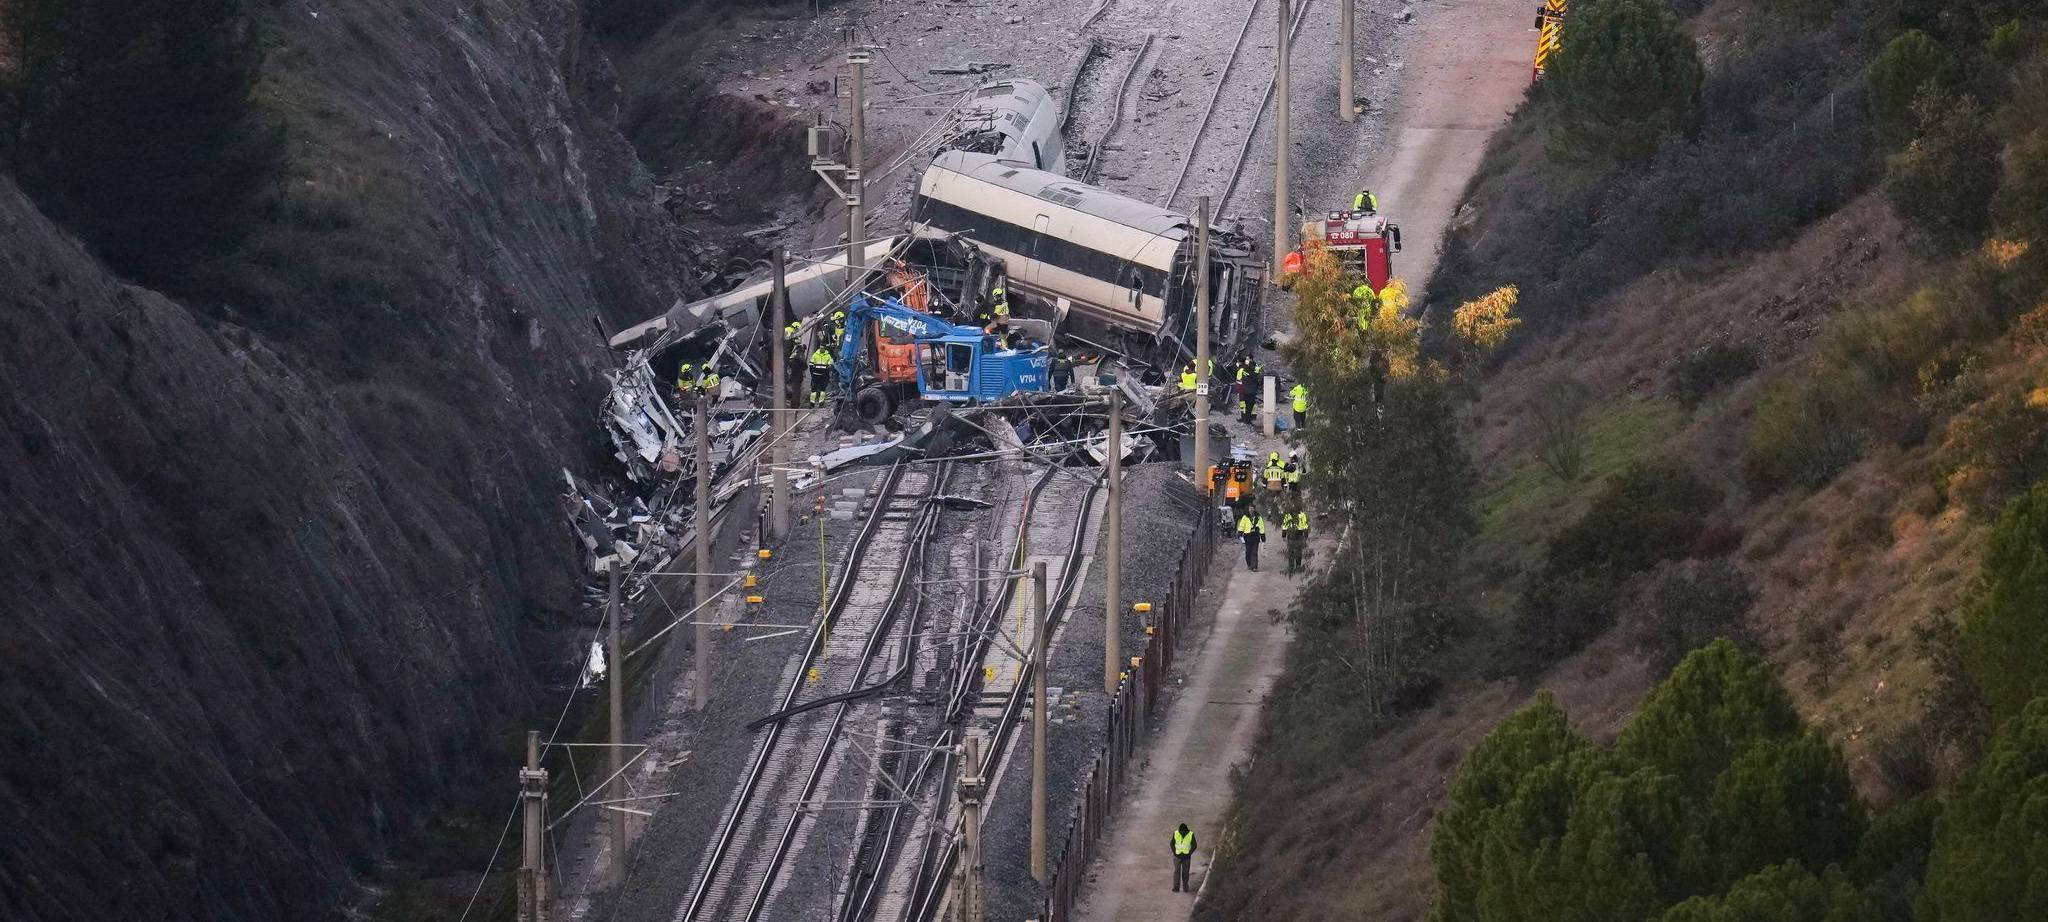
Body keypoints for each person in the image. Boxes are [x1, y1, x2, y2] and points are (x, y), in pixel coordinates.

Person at [1171, 823, 1197, 892]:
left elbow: (1194, 845)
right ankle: (1176, 887)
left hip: (1186, 857)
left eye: (1182, 831)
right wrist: (1174, 852)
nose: (1181, 832)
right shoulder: (1176, 833)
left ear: (1186, 831)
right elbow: (1172, 843)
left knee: (1185, 872)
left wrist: (1189, 853)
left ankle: (1185, 887)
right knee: (1177, 871)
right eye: (1180, 831)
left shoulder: (1190, 834)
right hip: (1177, 856)